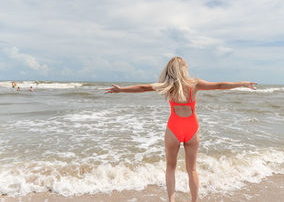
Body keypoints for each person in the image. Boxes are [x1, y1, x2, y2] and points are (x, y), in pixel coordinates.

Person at [105, 57, 257, 202]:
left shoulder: (167, 86)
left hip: (173, 129)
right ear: (183, 69)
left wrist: (121, 89)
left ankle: (171, 200)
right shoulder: (194, 84)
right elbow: (219, 85)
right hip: (192, 129)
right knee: (192, 169)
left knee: (171, 167)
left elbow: (142, 88)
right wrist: (243, 83)